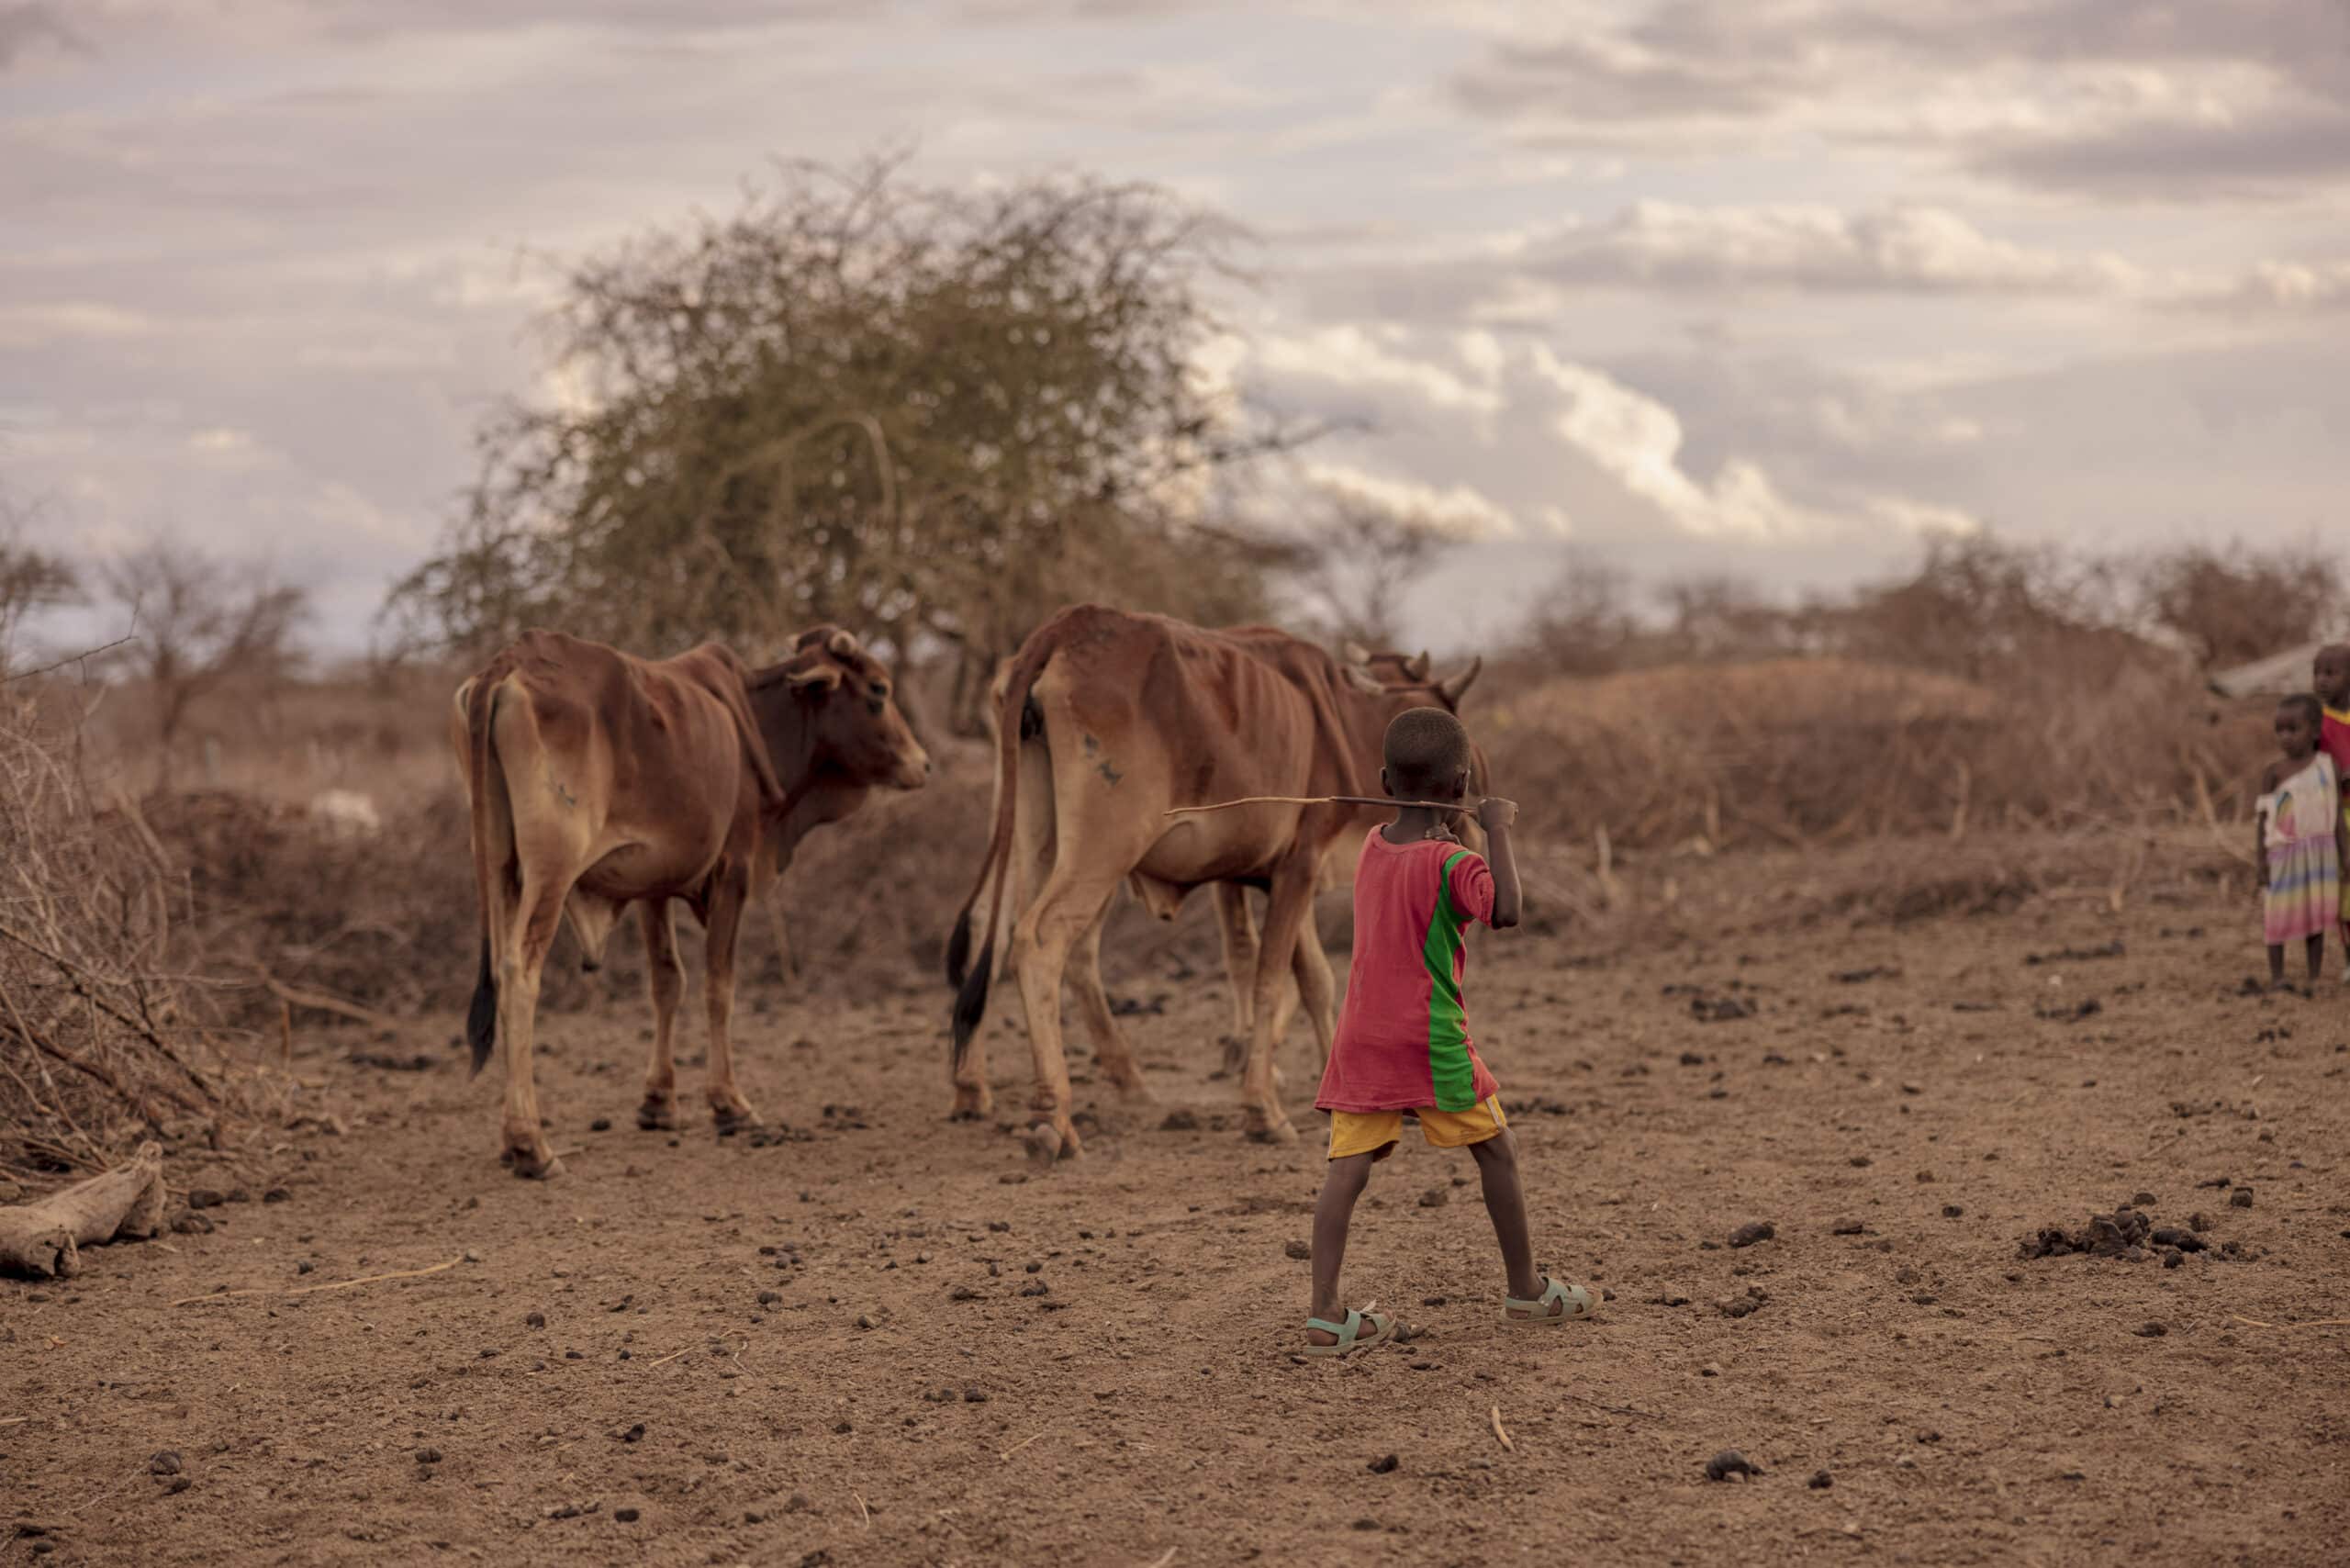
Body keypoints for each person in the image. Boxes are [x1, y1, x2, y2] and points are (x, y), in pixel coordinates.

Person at [1302, 705, 1595, 1356]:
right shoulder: (1455, 864)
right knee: (1497, 1151)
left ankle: (1325, 1314)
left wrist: (1456, 823)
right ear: (1460, 786)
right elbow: (1508, 911)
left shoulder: (1374, 848)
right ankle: (1526, 1291)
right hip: (1429, 1041)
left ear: (1384, 780)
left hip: (1359, 1041)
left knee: (1345, 1172)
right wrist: (1496, 830)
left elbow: (1420, 865)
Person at [2255, 693, 2345, 990]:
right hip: (2283, 854)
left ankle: (2313, 976)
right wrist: (2261, 862)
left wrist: (2345, 854)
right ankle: (2278, 975)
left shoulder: (2327, 767)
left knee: (2315, 916)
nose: (2286, 737)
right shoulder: (2274, 773)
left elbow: (2336, 818)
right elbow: (2262, 821)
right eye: (2280, 730)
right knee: (2277, 915)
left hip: (2320, 854)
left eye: (2293, 729)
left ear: (2316, 730)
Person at [2311, 645, 2350, 977]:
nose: (2321, 680)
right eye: (2317, 672)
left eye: (2330, 673)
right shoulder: (2315, 725)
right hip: (2335, 816)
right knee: (2344, 892)